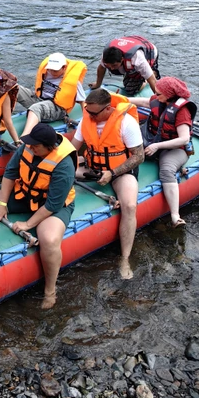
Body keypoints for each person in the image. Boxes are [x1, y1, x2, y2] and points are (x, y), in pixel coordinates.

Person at [0, 123, 77, 310]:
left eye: (35, 146)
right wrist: (2, 203)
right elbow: (10, 172)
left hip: (53, 205)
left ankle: (50, 290)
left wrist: (28, 224)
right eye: (30, 144)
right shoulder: (28, 147)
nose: (30, 147)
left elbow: (53, 204)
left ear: (49, 147)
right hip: (25, 194)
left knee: (49, 239)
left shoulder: (64, 165)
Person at [71, 88, 144, 280]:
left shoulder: (126, 123)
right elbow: (72, 149)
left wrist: (112, 173)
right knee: (59, 172)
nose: (90, 116)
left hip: (120, 172)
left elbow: (139, 156)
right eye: (87, 111)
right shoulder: (86, 120)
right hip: (93, 168)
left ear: (108, 109)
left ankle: (125, 259)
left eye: (94, 113)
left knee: (129, 206)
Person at [129, 77, 197, 227]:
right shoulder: (158, 100)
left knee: (166, 170)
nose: (156, 95)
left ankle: (175, 216)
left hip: (174, 148)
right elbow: (144, 102)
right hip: (154, 141)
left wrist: (157, 146)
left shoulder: (182, 111)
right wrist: (120, 100)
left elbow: (184, 139)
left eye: (159, 93)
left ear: (169, 94)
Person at [17, 53, 87, 137]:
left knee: (35, 108)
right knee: (14, 89)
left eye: (55, 70)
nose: (52, 72)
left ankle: (24, 137)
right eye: (51, 69)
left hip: (57, 109)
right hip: (40, 100)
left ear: (64, 67)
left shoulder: (73, 81)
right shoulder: (46, 72)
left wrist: (86, 121)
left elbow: (82, 102)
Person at [90, 35, 160, 96]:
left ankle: (150, 74)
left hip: (149, 53)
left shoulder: (137, 59)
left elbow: (153, 80)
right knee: (127, 80)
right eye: (109, 66)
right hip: (131, 43)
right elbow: (101, 68)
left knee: (131, 90)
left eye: (114, 65)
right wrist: (98, 84)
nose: (112, 68)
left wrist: (159, 99)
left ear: (122, 59)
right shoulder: (106, 56)